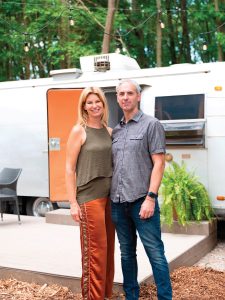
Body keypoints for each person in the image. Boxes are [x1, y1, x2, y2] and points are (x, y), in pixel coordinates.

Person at [110, 79, 172, 300]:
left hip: (141, 201)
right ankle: (131, 296)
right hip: (118, 203)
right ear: (117, 98)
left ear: (138, 96)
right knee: (127, 254)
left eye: (129, 93)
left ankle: (165, 297)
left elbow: (159, 163)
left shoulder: (151, 124)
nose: (125, 97)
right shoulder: (116, 131)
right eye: (121, 94)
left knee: (155, 253)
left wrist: (151, 198)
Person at [65, 86, 115, 300]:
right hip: (89, 198)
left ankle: (106, 295)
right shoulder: (79, 130)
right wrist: (72, 203)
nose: (94, 106)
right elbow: (69, 168)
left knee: (108, 252)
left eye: (98, 102)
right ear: (83, 106)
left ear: (104, 105)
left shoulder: (109, 131)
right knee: (95, 253)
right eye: (90, 102)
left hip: (110, 199)